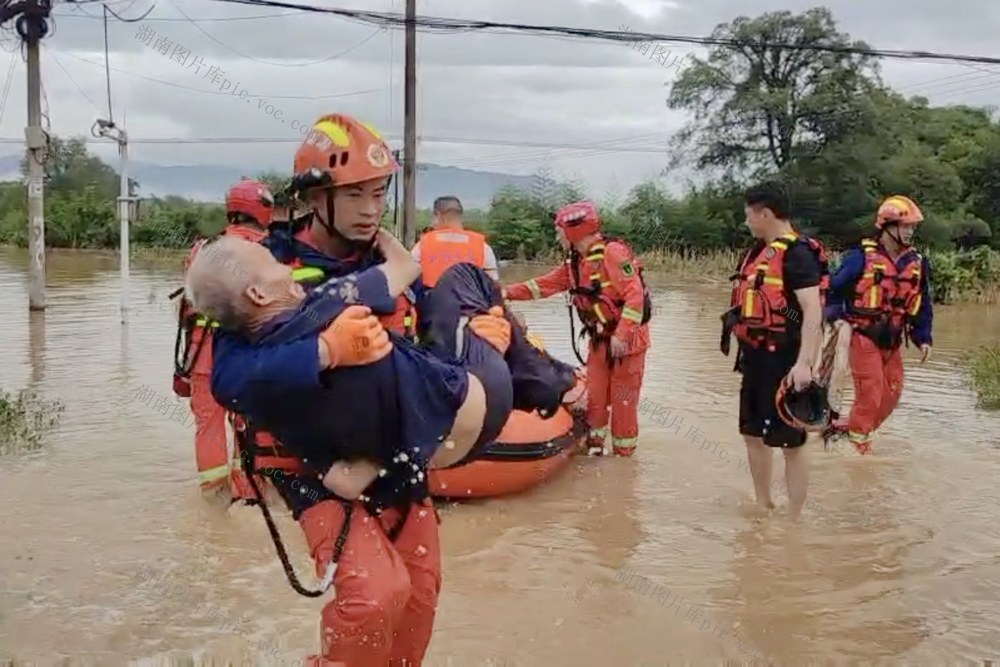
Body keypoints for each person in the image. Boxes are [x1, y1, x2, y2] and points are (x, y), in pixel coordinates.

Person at [206, 112, 561, 666]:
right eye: (356, 196)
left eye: (378, 193)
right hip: (314, 465)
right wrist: (326, 351)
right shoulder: (265, 269)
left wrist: (483, 346)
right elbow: (228, 379)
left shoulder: (390, 265)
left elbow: (424, 354)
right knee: (373, 598)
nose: (372, 208)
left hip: (394, 453)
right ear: (316, 197)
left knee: (419, 595)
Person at [190, 231, 576, 503]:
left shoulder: (245, 366)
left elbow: (227, 381)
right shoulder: (330, 304)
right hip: (475, 398)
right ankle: (553, 383)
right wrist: (375, 233)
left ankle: (359, 465)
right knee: (465, 276)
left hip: (403, 425)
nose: (289, 270)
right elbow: (405, 267)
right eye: (275, 265)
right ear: (257, 293)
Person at [502, 200, 652, 457]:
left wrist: (622, 335)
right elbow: (544, 285)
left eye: (559, 230)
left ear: (573, 231)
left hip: (627, 343)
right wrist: (505, 293)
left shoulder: (612, 253)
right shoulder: (576, 263)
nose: (557, 235)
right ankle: (595, 451)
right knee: (595, 400)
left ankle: (624, 463)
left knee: (623, 403)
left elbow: (635, 296)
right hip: (599, 339)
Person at [720, 182, 827, 521]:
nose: (747, 220)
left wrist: (805, 364)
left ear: (765, 214)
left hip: (787, 359)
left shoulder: (797, 254)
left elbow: (812, 312)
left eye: (749, 214)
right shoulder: (755, 252)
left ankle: (794, 518)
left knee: (791, 445)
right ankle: (763, 504)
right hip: (754, 356)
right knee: (752, 434)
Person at [172, 177, 274, 493]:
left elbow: (188, 304)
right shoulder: (270, 250)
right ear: (263, 210)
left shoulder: (203, 250)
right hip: (250, 357)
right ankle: (248, 496)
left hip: (203, 356)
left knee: (208, 427)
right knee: (249, 427)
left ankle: (214, 499)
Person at [824, 195, 933, 455]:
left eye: (912, 227)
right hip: (862, 334)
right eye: (905, 226)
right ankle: (858, 452)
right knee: (870, 392)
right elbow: (833, 290)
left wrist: (923, 336)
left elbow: (923, 302)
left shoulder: (917, 263)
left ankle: (844, 430)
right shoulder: (859, 258)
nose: (910, 232)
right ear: (888, 226)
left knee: (891, 394)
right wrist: (835, 318)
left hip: (893, 338)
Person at [411, 196, 499, 287]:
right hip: (471, 300)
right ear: (460, 217)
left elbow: (406, 278)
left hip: (432, 299)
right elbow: (493, 285)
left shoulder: (423, 244)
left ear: (438, 216)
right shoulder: (482, 246)